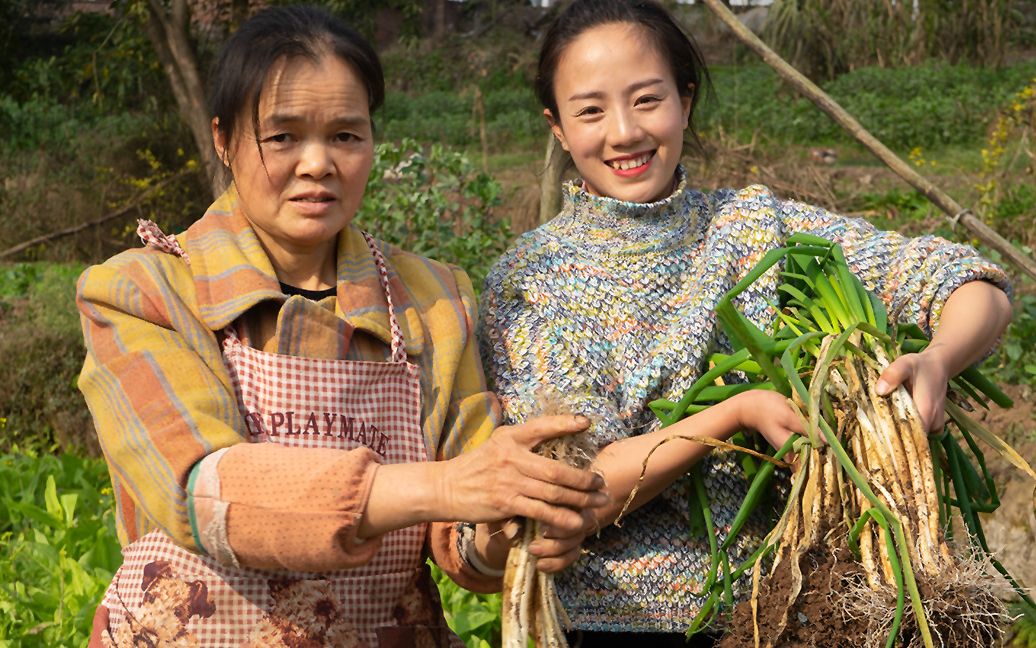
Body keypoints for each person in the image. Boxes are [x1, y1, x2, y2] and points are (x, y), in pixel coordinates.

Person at [478, 0, 1013, 645]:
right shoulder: (530, 279)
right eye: (590, 110)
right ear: (558, 128)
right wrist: (732, 415)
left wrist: (939, 359)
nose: (622, 132)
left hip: (794, 612)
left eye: (647, 99)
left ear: (686, 99)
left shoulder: (756, 228)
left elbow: (970, 281)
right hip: (618, 627)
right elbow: (573, 493)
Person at [78, 6, 606, 646]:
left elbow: (463, 548)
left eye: (347, 136)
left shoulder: (433, 300)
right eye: (283, 137)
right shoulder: (144, 292)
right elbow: (201, 490)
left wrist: (515, 521)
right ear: (224, 140)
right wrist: (446, 486)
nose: (318, 163)